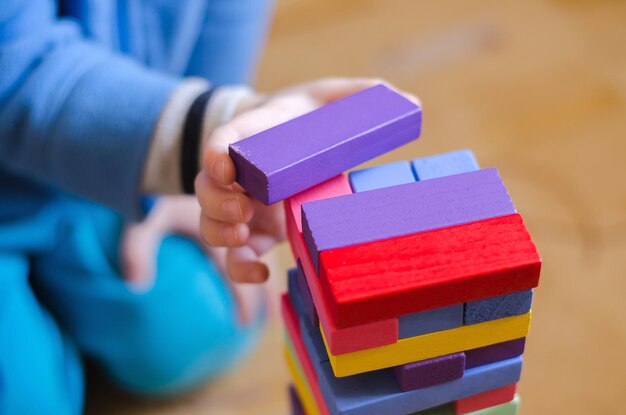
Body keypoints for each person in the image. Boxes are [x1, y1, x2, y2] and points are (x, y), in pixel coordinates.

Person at [0, 1, 418, 414]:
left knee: (195, 324)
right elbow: (15, 71)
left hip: (116, 159)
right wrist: (210, 126)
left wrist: (202, 176)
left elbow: (224, 18)